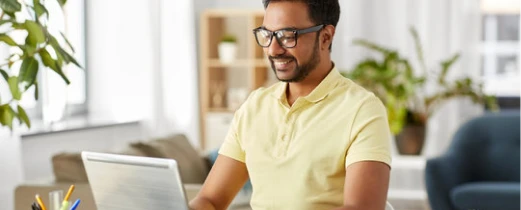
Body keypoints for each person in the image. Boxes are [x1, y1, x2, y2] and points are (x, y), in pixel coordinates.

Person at [190, 0, 392, 209]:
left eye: (287, 36)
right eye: (267, 35)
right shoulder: (254, 106)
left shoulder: (362, 110)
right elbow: (211, 199)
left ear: (325, 37)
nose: (273, 49)